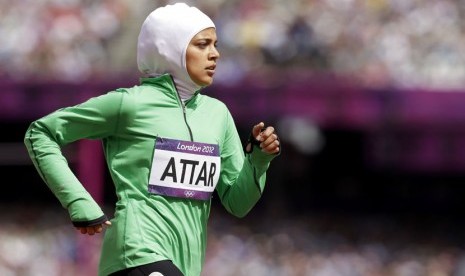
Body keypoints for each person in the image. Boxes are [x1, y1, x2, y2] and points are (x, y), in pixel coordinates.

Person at [24, 2, 280, 276]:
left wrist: (259, 160)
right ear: (170, 48)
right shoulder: (129, 104)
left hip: (185, 265)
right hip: (135, 254)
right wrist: (79, 202)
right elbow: (41, 133)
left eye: (215, 44)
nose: (215, 54)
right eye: (203, 44)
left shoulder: (218, 114)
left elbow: (237, 203)